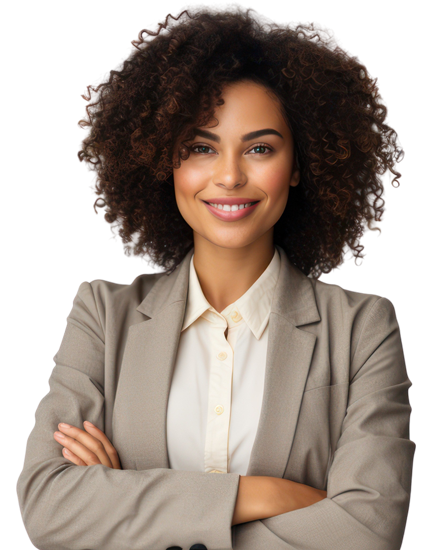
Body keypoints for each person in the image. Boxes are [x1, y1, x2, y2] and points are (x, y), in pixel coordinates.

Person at [16, 3, 414, 550]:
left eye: (260, 148)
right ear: (165, 160)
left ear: (298, 165)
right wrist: (268, 495)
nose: (229, 175)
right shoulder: (104, 319)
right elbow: (49, 508)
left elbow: (368, 530)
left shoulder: (362, 329)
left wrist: (127, 502)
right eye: (201, 147)